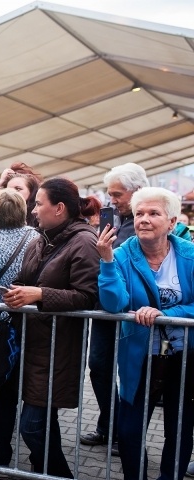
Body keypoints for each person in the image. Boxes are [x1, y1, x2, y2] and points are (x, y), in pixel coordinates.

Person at [97, 187, 194, 480]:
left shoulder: (189, 255)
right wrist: (107, 261)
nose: (144, 219)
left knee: (179, 432)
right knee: (129, 430)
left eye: (153, 213)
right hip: (141, 357)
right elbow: (113, 303)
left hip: (184, 359)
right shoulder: (122, 254)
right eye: (139, 214)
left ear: (171, 221)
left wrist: (167, 313)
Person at [2, 177, 99, 480]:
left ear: (59, 208)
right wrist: (16, 291)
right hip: (33, 344)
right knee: (42, 424)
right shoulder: (42, 239)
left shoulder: (84, 242)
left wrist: (40, 294)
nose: (33, 208)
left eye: (39, 203)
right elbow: (27, 278)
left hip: (59, 349)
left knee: (32, 425)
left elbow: (87, 295)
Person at [82, 163, 150, 453]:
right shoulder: (115, 219)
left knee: (135, 374)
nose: (113, 200)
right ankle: (109, 425)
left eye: (118, 194)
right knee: (98, 367)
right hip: (107, 310)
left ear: (137, 191)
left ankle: (128, 434)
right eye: (110, 194)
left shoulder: (147, 219)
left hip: (138, 314)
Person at [0, 189, 40, 472]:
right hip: (24, 327)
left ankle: (1, 455)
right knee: (27, 392)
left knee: (0, 394)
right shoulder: (36, 241)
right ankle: (34, 457)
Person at [0, 162, 42, 227]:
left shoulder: (39, 216)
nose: (12, 192)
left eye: (18, 189)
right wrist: (1, 182)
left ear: (31, 192)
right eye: (8, 189)